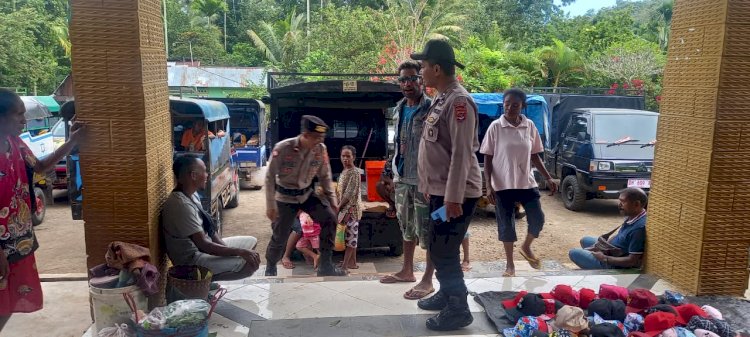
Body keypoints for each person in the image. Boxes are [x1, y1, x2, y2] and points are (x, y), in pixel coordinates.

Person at [411, 39, 483, 331]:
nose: (421, 73)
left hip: (457, 196)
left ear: (437, 68)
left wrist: (452, 198)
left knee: (444, 249)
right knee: (439, 244)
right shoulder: (443, 98)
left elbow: (463, 154)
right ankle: (448, 293)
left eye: (424, 67)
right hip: (441, 193)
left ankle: (458, 308)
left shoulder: (459, 102)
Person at [0, 89, 86, 331]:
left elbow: (40, 166)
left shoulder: (16, 143)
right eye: (17, 115)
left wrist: (71, 141)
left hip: (18, 240)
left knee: (9, 301)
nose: (23, 121)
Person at [479, 89, 558, 277]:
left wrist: (548, 177)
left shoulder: (529, 126)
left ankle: (526, 246)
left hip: (526, 182)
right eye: (507, 104)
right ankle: (510, 265)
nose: (510, 108)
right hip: (502, 184)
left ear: (523, 106)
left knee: (538, 218)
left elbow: (535, 156)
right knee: (506, 225)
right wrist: (489, 186)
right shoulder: (495, 127)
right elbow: (487, 158)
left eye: (515, 104)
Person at [379, 60, 438, 301]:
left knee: (428, 230)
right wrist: (388, 171)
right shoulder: (398, 108)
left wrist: (435, 182)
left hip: (424, 181)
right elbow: (396, 145)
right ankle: (406, 270)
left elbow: (439, 147)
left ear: (422, 80)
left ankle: (428, 279)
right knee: (406, 226)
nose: (407, 84)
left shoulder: (432, 108)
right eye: (403, 79)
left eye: (412, 78)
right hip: (402, 177)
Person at [264, 115, 346, 277]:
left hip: (307, 194)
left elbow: (325, 176)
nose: (319, 141)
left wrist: (333, 201)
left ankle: (325, 265)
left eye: (321, 138)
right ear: (305, 135)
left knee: (330, 218)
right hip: (285, 198)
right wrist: (270, 205)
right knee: (280, 235)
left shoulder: (320, 149)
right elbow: (269, 177)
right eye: (316, 138)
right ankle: (271, 265)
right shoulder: (283, 148)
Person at [162, 155, 261, 281]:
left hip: (204, 249)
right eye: (204, 171)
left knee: (251, 242)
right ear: (193, 175)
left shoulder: (192, 194)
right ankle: (204, 282)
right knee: (248, 265)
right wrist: (239, 252)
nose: (207, 175)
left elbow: (210, 232)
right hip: (193, 260)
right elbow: (204, 245)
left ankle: (210, 277)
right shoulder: (180, 205)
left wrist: (227, 250)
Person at [568, 188, 648, 269]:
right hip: (614, 251)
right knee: (585, 240)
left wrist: (604, 258)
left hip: (613, 264)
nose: (619, 204)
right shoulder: (635, 215)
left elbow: (631, 261)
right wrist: (602, 247)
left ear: (636, 204)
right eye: (619, 201)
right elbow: (620, 236)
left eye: (623, 202)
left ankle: (601, 271)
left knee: (573, 252)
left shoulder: (638, 229)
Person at [337, 145, 362, 271]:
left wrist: (339, 207)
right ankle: (353, 262)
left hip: (351, 210)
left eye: (348, 156)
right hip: (345, 209)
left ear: (354, 157)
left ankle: (345, 266)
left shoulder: (354, 172)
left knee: (351, 239)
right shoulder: (344, 171)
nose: (345, 159)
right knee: (350, 236)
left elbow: (349, 194)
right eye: (343, 156)